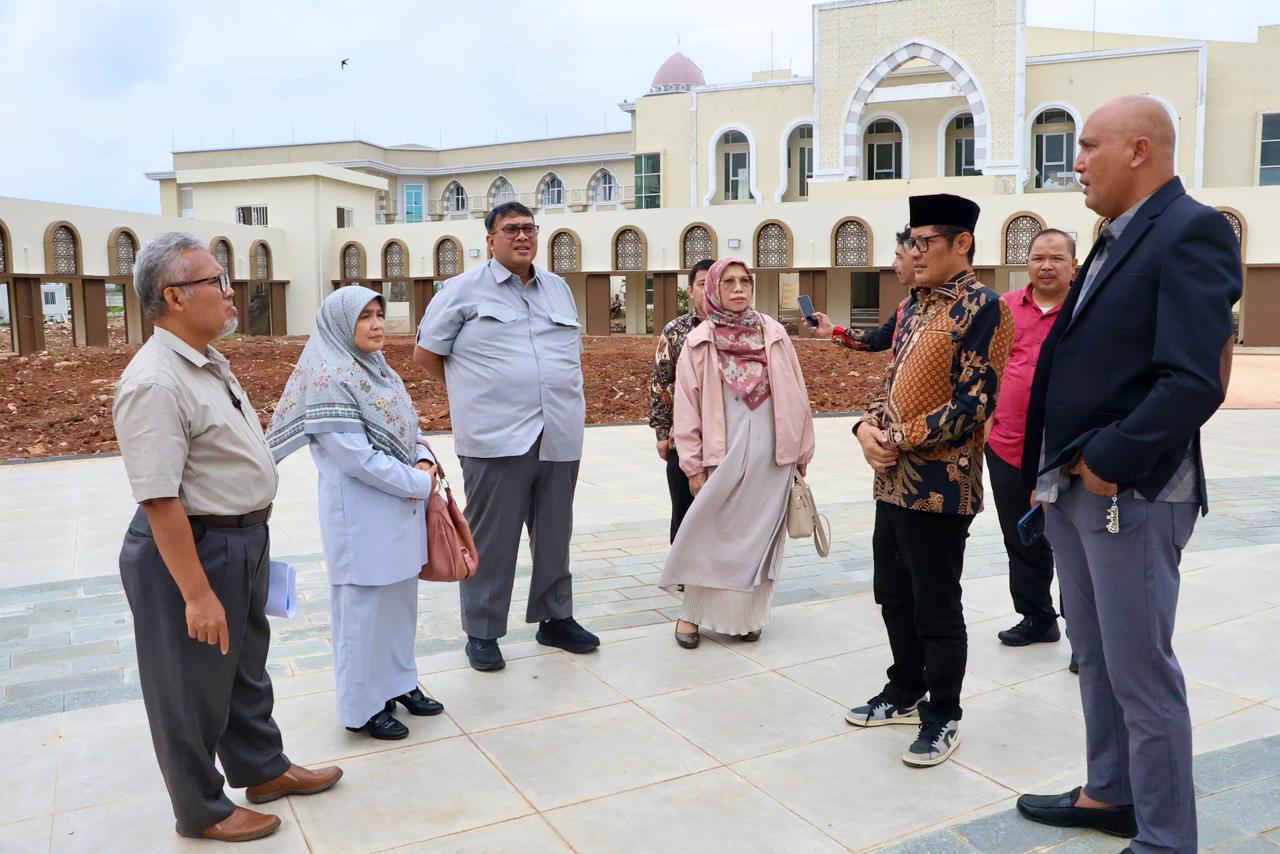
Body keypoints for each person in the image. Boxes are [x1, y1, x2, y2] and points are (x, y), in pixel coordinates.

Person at [1016, 96, 1242, 854]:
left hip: (1133, 493)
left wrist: (1109, 460)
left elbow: (1194, 379)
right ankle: (1110, 792)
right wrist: (1054, 468)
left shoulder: (1191, 230)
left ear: (1139, 150)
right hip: (1074, 490)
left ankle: (1167, 838)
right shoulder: (1115, 237)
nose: (1075, 163)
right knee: (1095, 657)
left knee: (1141, 672)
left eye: (1088, 147)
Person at [112, 233, 341, 843]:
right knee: (188, 686)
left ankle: (262, 769)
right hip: (193, 547)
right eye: (215, 280)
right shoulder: (155, 382)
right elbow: (160, 499)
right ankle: (202, 810)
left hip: (241, 540)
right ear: (175, 297)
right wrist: (196, 594)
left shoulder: (207, 361)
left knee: (244, 667)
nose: (230, 290)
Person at [845, 194, 1014, 768]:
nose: (914, 253)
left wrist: (899, 436)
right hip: (891, 481)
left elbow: (975, 402)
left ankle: (943, 714)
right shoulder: (914, 307)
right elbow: (889, 383)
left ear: (962, 243)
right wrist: (865, 429)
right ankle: (904, 688)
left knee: (936, 605)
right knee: (892, 593)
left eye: (925, 242)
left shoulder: (984, 308)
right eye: (911, 243)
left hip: (942, 486)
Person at [413, 201, 598, 672]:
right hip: (496, 436)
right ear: (490, 239)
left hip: (558, 432)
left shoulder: (558, 289)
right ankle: (482, 630)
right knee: (492, 539)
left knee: (555, 533)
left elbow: (570, 353)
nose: (522, 236)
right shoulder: (461, 291)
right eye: (511, 229)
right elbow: (427, 355)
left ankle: (555, 619)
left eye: (529, 228)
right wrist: (477, 393)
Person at [265, 286, 444, 741]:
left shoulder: (378, 369)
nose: (377, 324)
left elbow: (409, 427)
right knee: (363, 614)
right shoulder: (329, 377)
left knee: (399, 604)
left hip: (400, 512)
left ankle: (399, 683)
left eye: (379, 314)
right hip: (361, 519)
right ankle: (363, 706)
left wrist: (424, 457)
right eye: (364, 316)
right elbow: (356, 459)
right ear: (340, 324)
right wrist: (419, 483)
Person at [658, 258, 815, 648]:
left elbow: (798, 392)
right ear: (713, 289)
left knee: (757, 541)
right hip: (721, 454)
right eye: (728, 282)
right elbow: (687, 407)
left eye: (745, 281)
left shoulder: (773, 332)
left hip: (771, 456)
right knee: (709, 536)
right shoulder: (700, 341)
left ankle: (745, 618)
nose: (739, 288)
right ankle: (691, 615)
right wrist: (693, 466)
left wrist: (801, 450)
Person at [986, 229, 1076, 655]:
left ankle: (1084, 637)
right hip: (1007, 445)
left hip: (1066, 451)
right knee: (1021, 536)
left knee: (1075, 543)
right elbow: (987, 365)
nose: (1046, 266)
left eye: (1056, 258)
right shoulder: (1005, 307)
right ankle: (1037, 618)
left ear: (1073, 266)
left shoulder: (1084, 308)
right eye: (1039, 257)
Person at [650, 257, 713, 542]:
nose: (709, 291)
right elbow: (662, 382)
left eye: (716, 284)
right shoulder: (676, 331)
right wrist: (662, 433)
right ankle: (683, 568)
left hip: (731, 438)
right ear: (690, 290)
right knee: (684, 515)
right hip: (685, 438)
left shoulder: (744, 330)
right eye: (702, 284)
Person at [812, 224, 915, 351]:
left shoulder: (938, 311)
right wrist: (831, 329)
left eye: (899, 257)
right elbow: (879, 339)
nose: (894, 263)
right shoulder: (905, 307)